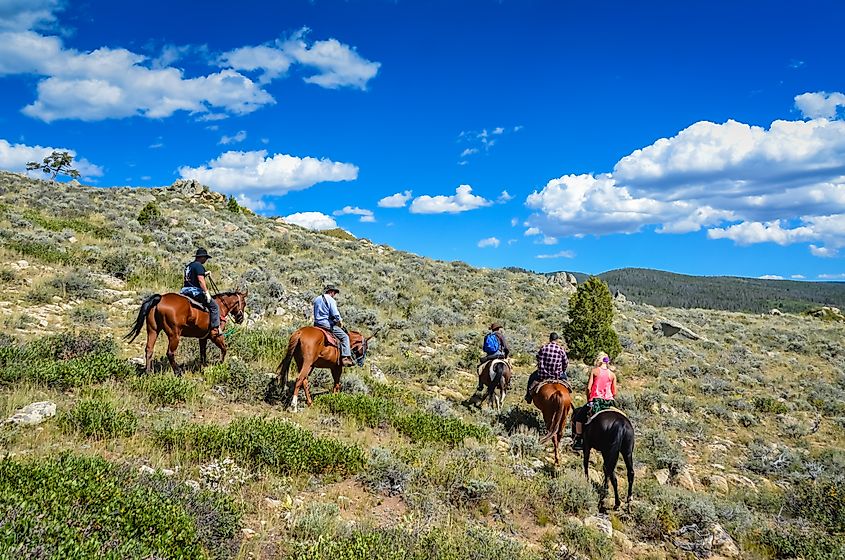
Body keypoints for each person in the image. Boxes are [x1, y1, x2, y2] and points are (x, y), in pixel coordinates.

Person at [572, 352, 618, 451]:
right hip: (609, 402)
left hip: (596, 400)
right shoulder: (612, 375)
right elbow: (614, 392)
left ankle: (578, 439)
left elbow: (589, 388)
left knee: (579, 416)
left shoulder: (595, 371)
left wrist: (589, 398)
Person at [180, 248, 220, 337]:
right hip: (195, 292)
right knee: (215, 306)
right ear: (201, 257)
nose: (206, 260)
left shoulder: (189, 265)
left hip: (185, 290)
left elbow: (193, 276)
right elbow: (200, 280)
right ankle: (214, 329)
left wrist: (205, 273)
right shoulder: (199, 266)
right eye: (205, 258)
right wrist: (206, 292)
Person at [313, 285, 354, 367]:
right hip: (326, 324)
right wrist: (340, 321)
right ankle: (345, 357)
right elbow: (335, 313)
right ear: (331, 292)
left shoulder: (317, 299)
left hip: (317, 324)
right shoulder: (331, 299)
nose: (334, 294)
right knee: (345, 337)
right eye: (334, 293)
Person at [524, 332, 569, 403]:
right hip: (557, 375)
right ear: (557, 340)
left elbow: (538, 357)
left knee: (531, 378)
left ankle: (528, 396)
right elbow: (565, 362)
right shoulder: (561, 349)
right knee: (567, 383)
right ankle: (569, 395)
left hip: (543, 375)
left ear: (550, 339)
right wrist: (563, 370)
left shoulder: (544, 348)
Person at [476, 323, 511, 392]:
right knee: (510, 366)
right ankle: (509, 383)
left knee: (480, 367)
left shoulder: (487, 336)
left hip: (490, 356)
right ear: (498, 329)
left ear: (492, 329)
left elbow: (484, 349)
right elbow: (506, 348)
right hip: (500, 356)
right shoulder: (500, 335)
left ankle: (480, 385)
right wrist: (506, 356)